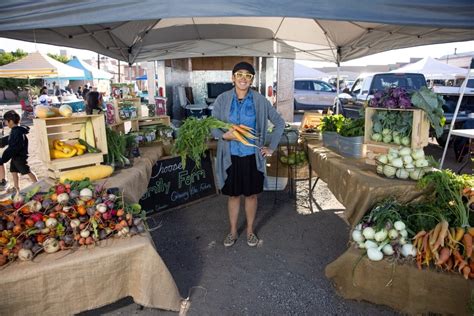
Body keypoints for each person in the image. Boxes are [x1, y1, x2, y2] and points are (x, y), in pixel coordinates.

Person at [211, 61, 285, 247]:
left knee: (251, 195)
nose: (243, 78)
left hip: (252, 156)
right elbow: (212, 125)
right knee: (234, 195)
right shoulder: (222, 99)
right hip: (231, 156)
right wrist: (223, 136)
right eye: (239, 74)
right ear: (233, 78)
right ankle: (233, 231)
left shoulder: (260, 101)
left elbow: (279, 123)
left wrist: (271, 148)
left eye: (248, 75)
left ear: (252, 80)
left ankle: (250, 231)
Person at [0, 110, 37, 192]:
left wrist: (5, 157)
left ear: (11, 121)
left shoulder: (18, 132)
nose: (5, 123)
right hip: (15, 156)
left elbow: (14, 146)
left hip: (20, 156)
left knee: (26, 170)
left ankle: (37, 184)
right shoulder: (15, 130)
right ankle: (16, 188)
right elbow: (9, 140)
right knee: (13, 171)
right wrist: (1, 142)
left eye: (6, 121)